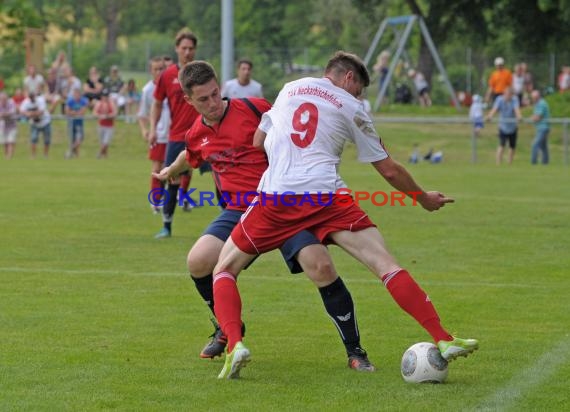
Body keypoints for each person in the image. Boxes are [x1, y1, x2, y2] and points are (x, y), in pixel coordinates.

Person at [209, 51, 478, 379]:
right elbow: (390, 171)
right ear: (349, 78)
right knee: (386, 264)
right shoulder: (352, 106)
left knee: (224, 269)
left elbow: (258, 140)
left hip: (277, 198)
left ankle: (235, 345)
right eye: (359, 90)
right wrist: (422, 198)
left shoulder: (290, 88)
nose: (359, 97)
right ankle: (444, 338)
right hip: (326, 196)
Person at [153, 60, 376, 371]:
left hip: (280, 203)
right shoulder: (196, 134)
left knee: (321, 267)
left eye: (216, 94)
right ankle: (227, 327)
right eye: (203, 99)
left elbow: (295, 133)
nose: (213, 103)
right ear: (189, 101)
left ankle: (355, 352)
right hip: (238, 210)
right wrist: (170, 171)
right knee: (199, 260)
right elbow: (190, 156)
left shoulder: (255, 108)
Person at [149, 29, 200, 238]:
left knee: (221, 177)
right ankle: (166, 226)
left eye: (191, 48)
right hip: (178, 136)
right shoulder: (168, 75)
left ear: (195, 50)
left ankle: (231, 223)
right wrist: (152, 129)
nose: (187, 52)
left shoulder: (201, 73)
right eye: (184, 48)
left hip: (205, 134)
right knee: (172, 177)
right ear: (177, 49)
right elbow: (157, 104)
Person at [138, 57, 170, 214]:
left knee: (172, 168)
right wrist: (146, 130)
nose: (159, 72)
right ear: (151, 71)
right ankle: (156, 201)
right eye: (156, 69)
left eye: (162, 68)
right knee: (157, 167)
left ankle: (173, 199)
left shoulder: (171, 86)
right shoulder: (147, 90)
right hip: (158, 135)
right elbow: (142, 114)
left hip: (174, 134)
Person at [485, 87, 522, 165]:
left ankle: (510, 163)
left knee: (512, 146)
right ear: (504, 94)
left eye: (510, 95)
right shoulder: (499, 99)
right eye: (507, 94)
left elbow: (516, 109)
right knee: (502, 144)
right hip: (503, 126)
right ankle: (498, 163)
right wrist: (490, 116)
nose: (508, 96)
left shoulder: (514, 99)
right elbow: (494, 109)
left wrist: (519, 116)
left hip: (512, 126)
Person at [19, 92, 52, 158]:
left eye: (33, 97)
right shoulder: (26, 102)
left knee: (47, 139)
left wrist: (30, 114)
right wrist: (27, 113)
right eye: (31, 97)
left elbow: (41, 112)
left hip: (45, 122)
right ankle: (33, 155)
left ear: (35, 96)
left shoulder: (40, 100)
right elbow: (21, 110)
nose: (32, 99)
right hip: (34, 123)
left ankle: (46, 155)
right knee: (33, 139)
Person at [64, 87, 89, 158]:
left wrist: (73, 112)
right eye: (75, 94)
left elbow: (83, 112)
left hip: (79, 123)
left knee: (80, 138)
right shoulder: (70, 100)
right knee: (72, 139)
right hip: (71, 123)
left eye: (78, 94)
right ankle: (75, 155)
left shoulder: (83, 101)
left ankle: (69, 151)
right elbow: (66, 111)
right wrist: (74, 113)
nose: (76, 96)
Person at [93, 89, 117, 158]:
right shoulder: (99, 103)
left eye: (106, 96)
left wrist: (107, 116)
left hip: (109, 126)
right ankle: (105, 156)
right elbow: (94, 113)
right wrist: (100, 116)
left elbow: (115, 113)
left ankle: (99, 154)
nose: (105, 97)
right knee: (102, 142)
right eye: (104, 96)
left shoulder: (111, 103)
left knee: (106, 142)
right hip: (101, 125)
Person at [530, 90, 550, 165]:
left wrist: (532, 118)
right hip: (540, 128)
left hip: (543, 128)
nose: (533, 99)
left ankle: (533, 162)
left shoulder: (542, 103)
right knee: (543, 146)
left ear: (537, 97)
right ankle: (545, 163)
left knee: (535, 145)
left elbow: (538, 117)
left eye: (534, 98)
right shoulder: (538, 104)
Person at [0, 92, 18, 159]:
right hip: (3, 126)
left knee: (11, 141)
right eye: (1, 99)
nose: (3, 101)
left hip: (12, 125)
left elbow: (13, 112)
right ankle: (6, 155)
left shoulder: (11, 103)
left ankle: (9, 156)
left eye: (4, 99)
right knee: (5, 142)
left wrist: (4, 114)